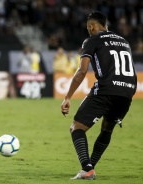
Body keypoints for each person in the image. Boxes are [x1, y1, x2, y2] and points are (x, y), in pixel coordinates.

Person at [61, 11, 137, 180]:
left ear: (92, 26)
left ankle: (87, 169)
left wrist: (67, 97)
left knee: (77, 127)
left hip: (106, 89)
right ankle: (90, 167)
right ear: (106, 26)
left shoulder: (92, 40)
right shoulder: (124, 41)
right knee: (106, 129)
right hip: (127, 91)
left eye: (89, 28)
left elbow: (82, 71)